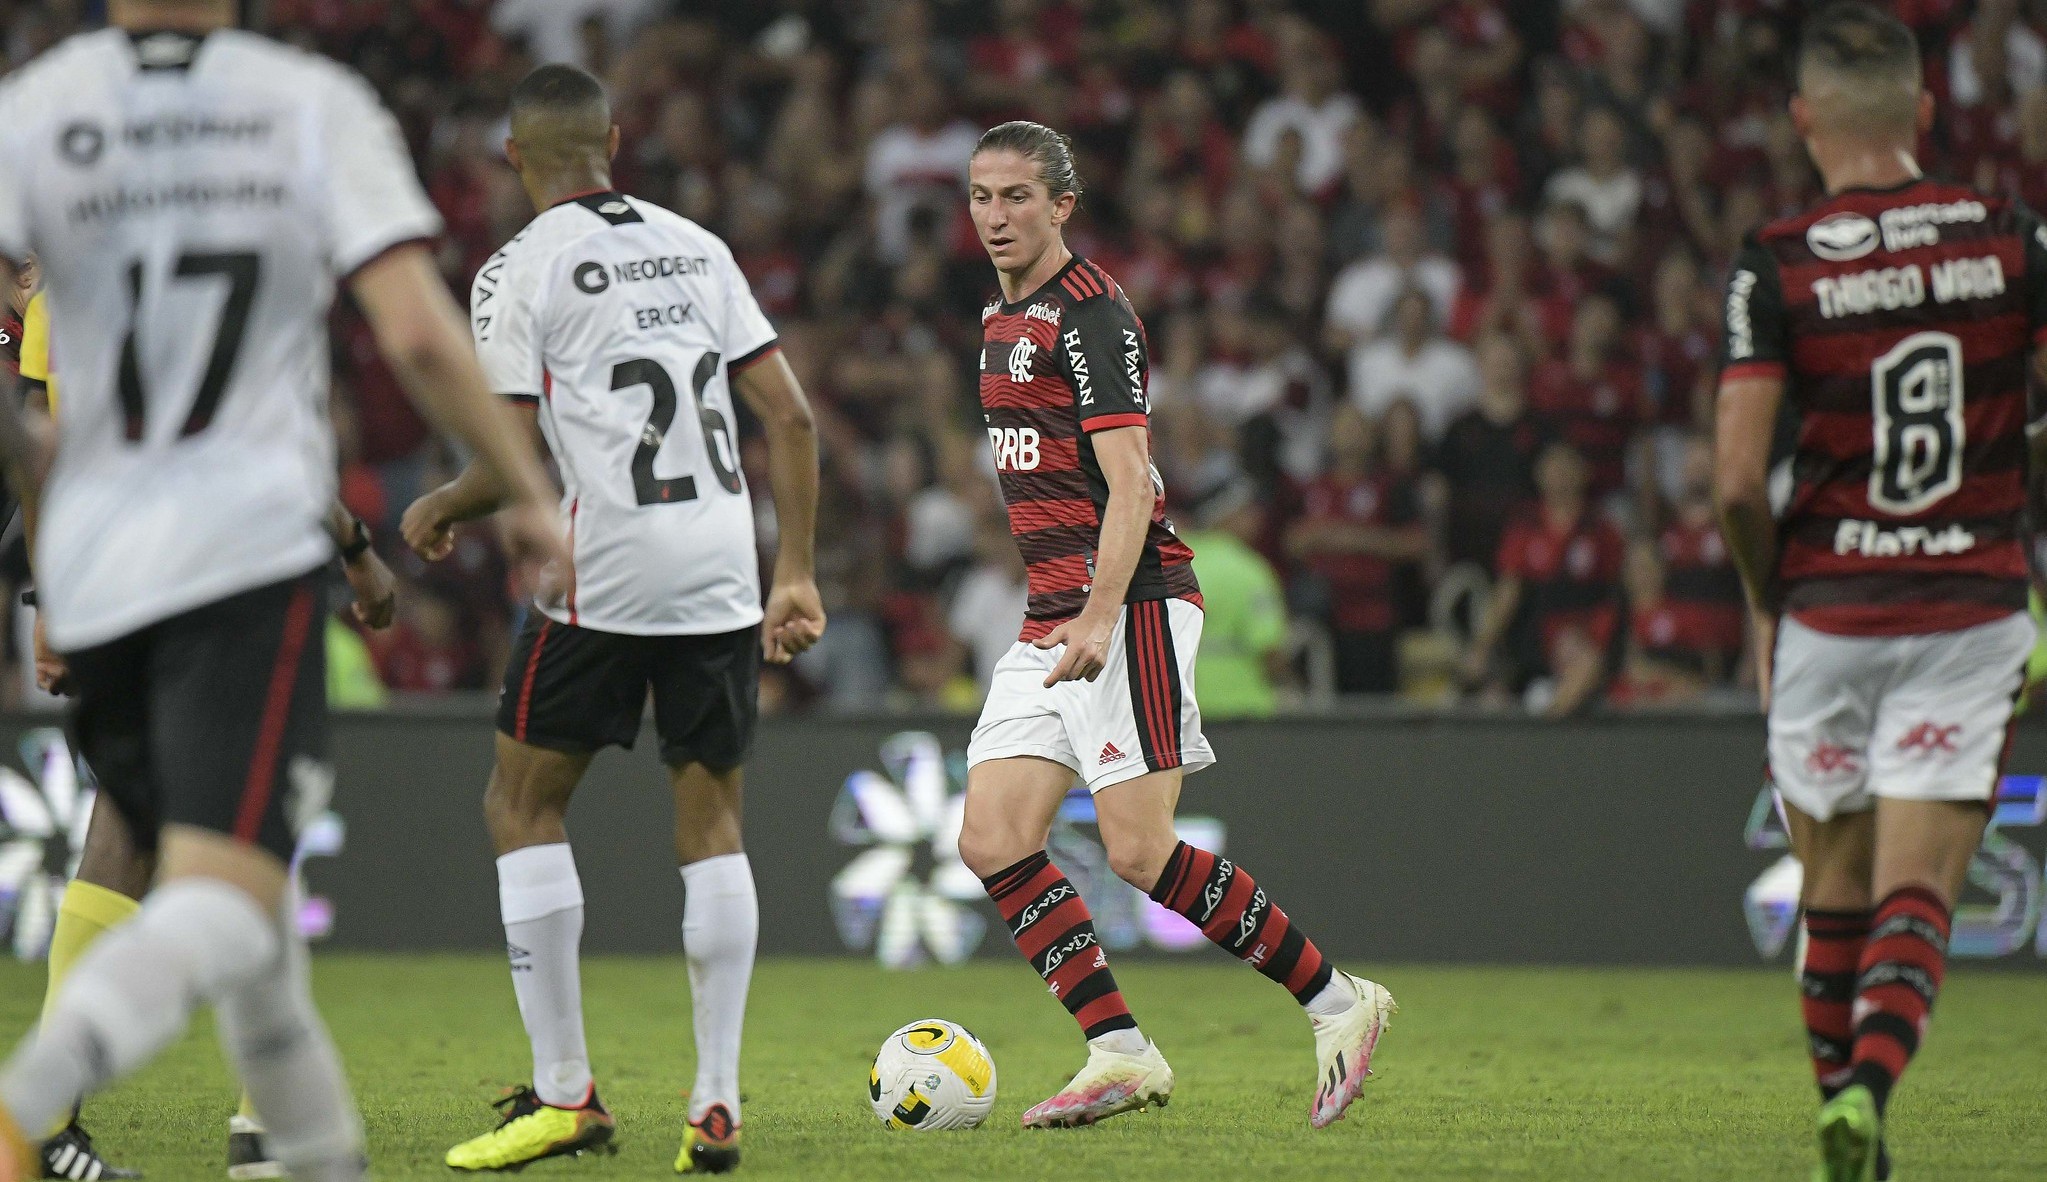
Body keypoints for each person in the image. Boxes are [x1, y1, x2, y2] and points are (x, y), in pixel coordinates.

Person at [0, 4, 568, 1181]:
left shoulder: (40, 111)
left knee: (212, 877)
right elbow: (412, 332)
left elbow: (35, 399)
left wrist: (48, 571)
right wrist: (518, 493)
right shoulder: (305, 106)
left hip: (99, 571)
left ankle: (292, 1149)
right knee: (227, 888)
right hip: (239, 563)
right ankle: (28, 1108)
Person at [400, 64, 823, 1176]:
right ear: (615, 140)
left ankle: (565, 1096)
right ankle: (716, 1104)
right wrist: (799, 573)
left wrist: (441, 505)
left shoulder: (518, 267)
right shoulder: (700, 247)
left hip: (607, 566)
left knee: (522, 802)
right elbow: (792, 415)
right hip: (726, 568)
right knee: (713, 824)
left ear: (512, 158)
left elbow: (505, 456)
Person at [955, 120, 1395, 1131]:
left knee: (1140, 853)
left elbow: (1127, 482)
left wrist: (1103, 613)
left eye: (1017, 197)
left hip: (1130, 605)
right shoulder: (994, 316)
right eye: (981, 197)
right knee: (992, 837)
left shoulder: (1093, 317)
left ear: (1062, 205)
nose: (995, 216)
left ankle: (1339, 1002)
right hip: (1050, 614)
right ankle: (1118, 1050)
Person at [1713, 6, 2047, 1179]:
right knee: (1916, 895)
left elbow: (1735, 482)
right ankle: (1865, 1091)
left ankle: (1843, 1128)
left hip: (1826, 609)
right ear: (1922, 111)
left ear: (1802, 120)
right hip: (1969, 601)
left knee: (1835, 897)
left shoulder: (1778, 259)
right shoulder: (2012, 239)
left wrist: (1768, 601)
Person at [17, 254, 402, 1182]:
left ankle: (246, 1121)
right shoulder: (246, 269)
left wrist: (58, 598)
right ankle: (35, 1106)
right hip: (234, 588)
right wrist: (355, 551)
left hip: (116, 583)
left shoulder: (73, 276)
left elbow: (41, 440)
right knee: (240, 841)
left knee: (134, 827)